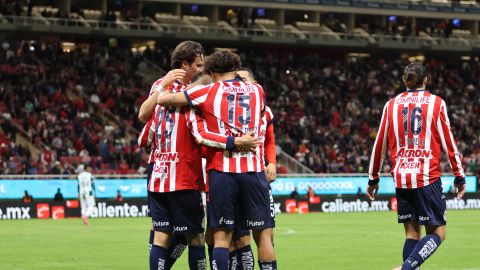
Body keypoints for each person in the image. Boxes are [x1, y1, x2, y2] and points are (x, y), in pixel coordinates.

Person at [157, 49, 277, 270]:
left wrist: (165, 85)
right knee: (263, 235)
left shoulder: (207, 91)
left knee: (221, 237)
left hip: (222, 171)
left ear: (212, 72)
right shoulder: (258, 90)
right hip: (253, 169)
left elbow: (165, 100)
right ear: (235, 68)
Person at [367, 62, 466, 270]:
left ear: (404, 81)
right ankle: (406, 268)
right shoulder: (436, 103)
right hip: (426, 176)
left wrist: (373, 178)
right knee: (438, 233)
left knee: (412, 233)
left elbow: (379, 145)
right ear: (426, 80)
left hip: (402, 177)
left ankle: (408, 266)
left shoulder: (391, 105)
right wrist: (460, 176)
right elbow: (449, 142)